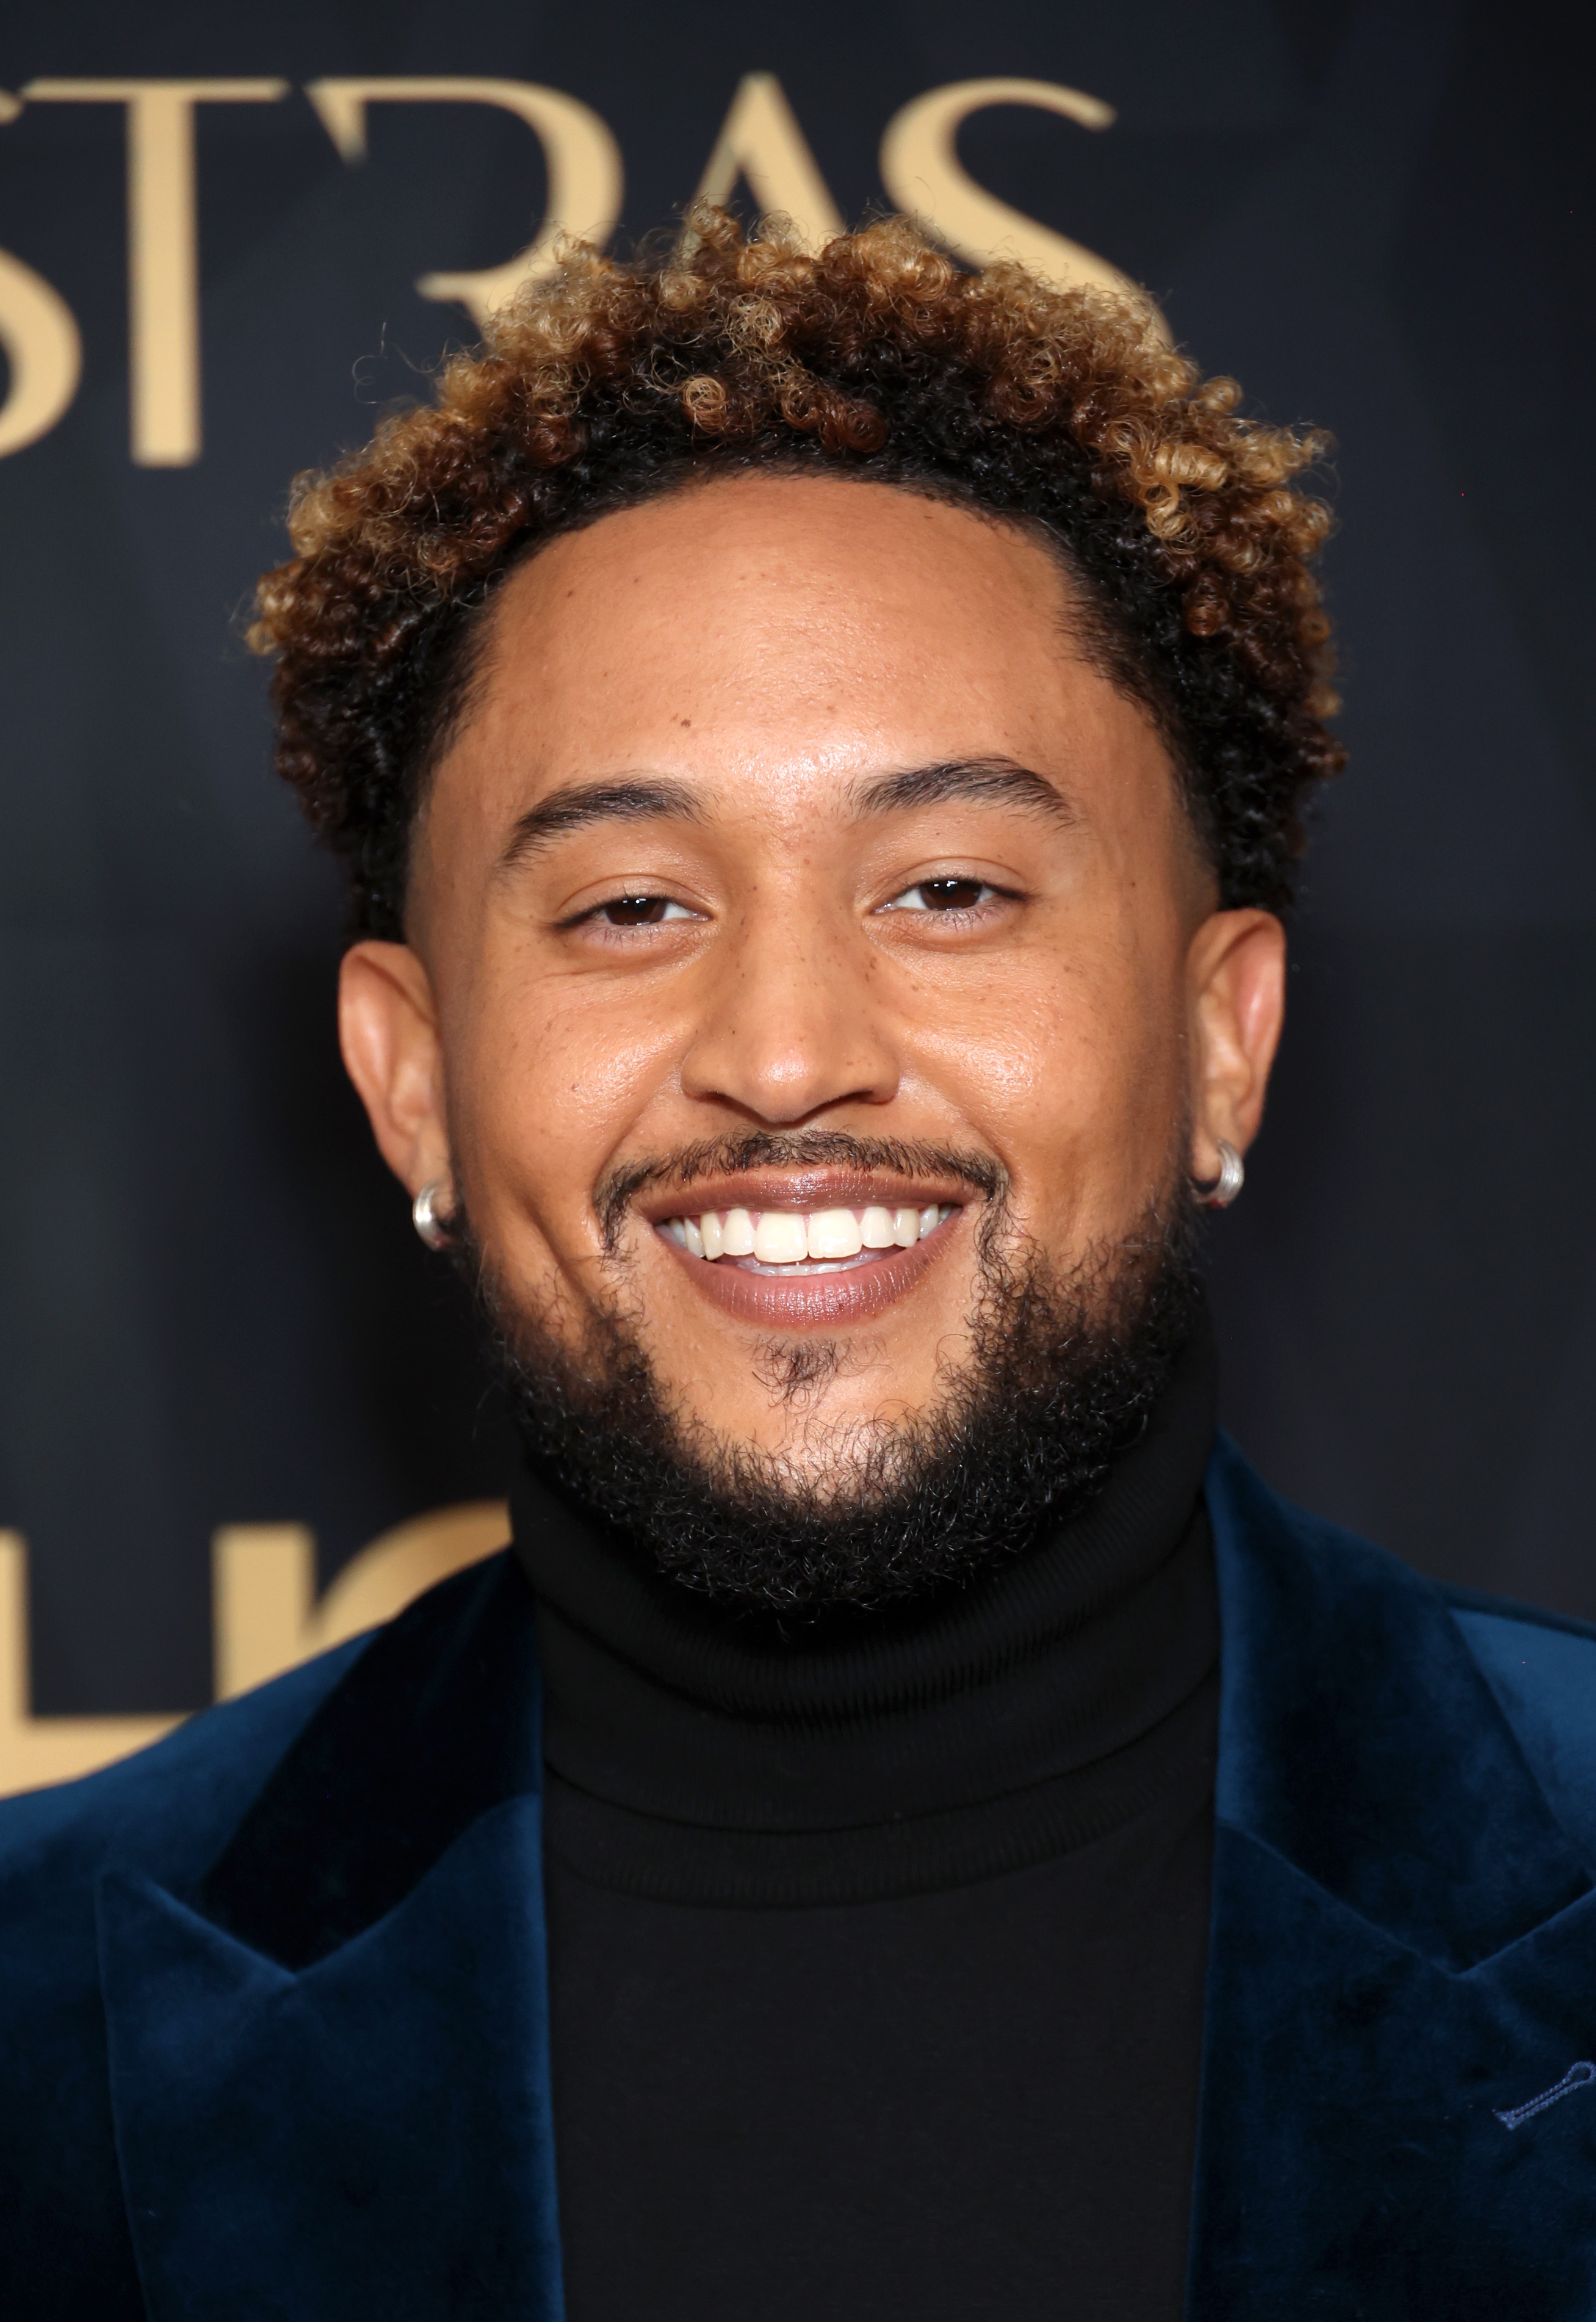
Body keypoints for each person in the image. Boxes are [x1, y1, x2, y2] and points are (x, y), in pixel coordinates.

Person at [4, 210, 1595, 2322]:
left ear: (1223, 1037)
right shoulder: (43, 2007)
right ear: (411, 1083)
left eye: (946, 885)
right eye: (627, 908)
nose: (782, 1057)